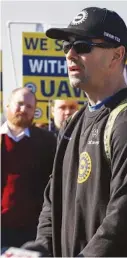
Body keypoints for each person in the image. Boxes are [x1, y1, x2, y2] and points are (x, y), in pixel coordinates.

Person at [23, 7, 127, 257]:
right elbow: (53, 203)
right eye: (66, 46)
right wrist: (38, 249)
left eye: (83, 46)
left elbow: (124, 222)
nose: (70, 54)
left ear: (117, 55)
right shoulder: (74, 123)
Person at [1, 87, 56, 248]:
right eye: (19, 104)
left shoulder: (47, 141)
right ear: (8, 105)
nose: (23, 109)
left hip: (33, 231)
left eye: (29, 106)